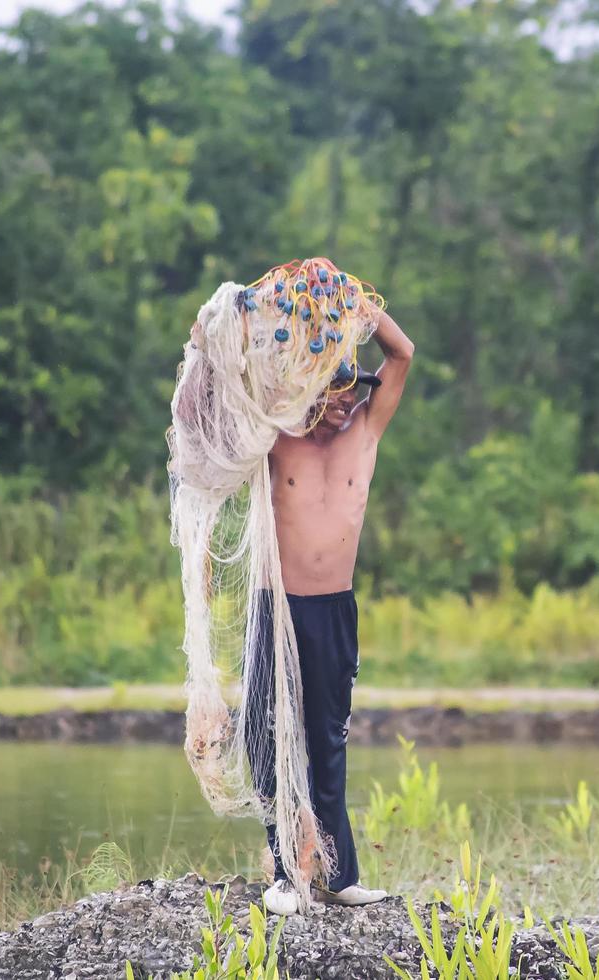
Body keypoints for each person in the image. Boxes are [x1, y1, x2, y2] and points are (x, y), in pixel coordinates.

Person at [247, 304, 414, 916]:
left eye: (352, 392)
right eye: (334, 392)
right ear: (310, 389)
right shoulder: (278, 436)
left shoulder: (366, 433)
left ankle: (338, 876)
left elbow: (404, 355)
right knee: (268, 736)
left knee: (327, 740)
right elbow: (248, 372)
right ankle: (288, 873)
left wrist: (367, 314)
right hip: (278, 608)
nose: (345, 404)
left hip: (333, 610)